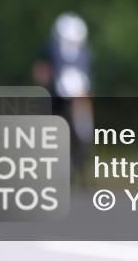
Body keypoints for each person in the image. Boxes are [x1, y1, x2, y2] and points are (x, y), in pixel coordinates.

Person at [33, 12, 94, 176]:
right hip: (63, 99)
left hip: (73, 99)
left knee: (80, 134)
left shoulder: (82, 54)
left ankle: (71, 167)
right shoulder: (83, 53)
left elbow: (41, 74)